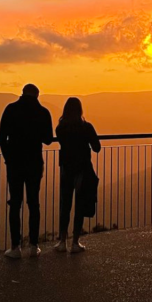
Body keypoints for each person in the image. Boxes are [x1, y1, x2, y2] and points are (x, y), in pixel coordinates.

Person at [0, 84, 54, 258]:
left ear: (22, 93)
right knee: (33, 203)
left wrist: (8, 156)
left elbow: (1, 137)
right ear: (37, 95)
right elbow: (48, 140)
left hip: (15, 163)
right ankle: (33, 245)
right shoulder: (43, 112)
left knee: (15, 203)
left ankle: (15, 247)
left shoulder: (11, 109)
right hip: (34, 163)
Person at [54, 97, 101, 253]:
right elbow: (97, 147)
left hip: (66, 169)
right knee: (79, 205)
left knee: (65, 205)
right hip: (82, 169)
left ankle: (62, 241)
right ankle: (75, 242)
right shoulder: (86, 127)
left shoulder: (60, 128)